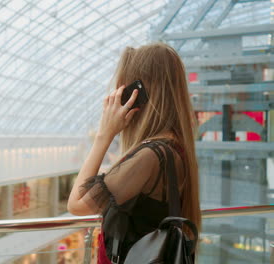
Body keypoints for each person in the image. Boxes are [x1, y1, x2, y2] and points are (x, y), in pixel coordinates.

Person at [67, 43, 201, 263]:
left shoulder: (150, 155)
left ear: (138, 95)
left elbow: (76, 205)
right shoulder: (174, 146)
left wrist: (104, 135)